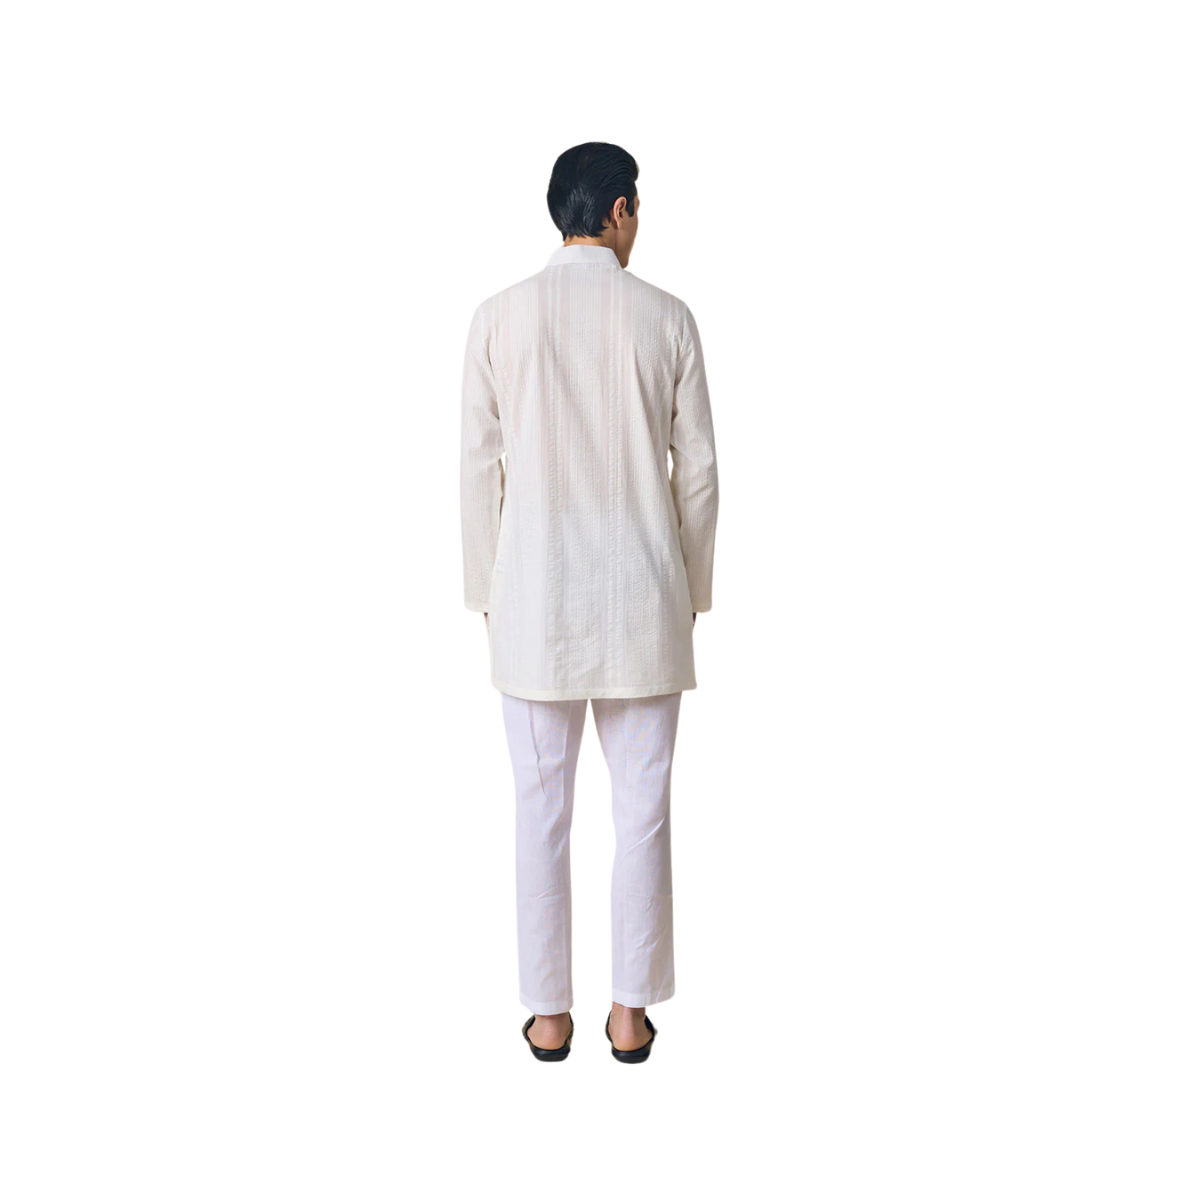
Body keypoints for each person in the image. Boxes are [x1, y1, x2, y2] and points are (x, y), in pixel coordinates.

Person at [459, 142, 718, 1063]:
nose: (637, 224)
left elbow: (477, 469)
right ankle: (630, 1013)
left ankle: (547, 1013)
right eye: (635, 208)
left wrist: (485, 591)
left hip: (533, 601)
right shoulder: (668, 318)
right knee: (643, 809)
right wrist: (691, 590)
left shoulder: (499, 317)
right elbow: (699, 475)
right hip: (644, 597)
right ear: (617, 211)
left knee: (540, 810)